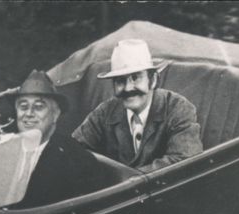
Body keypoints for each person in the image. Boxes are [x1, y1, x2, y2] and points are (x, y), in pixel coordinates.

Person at [0, 70, 112, 209]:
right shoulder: (1, 149)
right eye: (23, 106)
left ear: (55, 114)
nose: (29, 114)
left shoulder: (76, 159)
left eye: (38, 107)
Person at [72, 39, 202, 172]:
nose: (128, 88)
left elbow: (184, 160)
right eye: (120, 80)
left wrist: (127, 179)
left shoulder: (177, 108)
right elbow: (74, 148)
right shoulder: (105, 112)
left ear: (153, 80)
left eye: (135, 77)